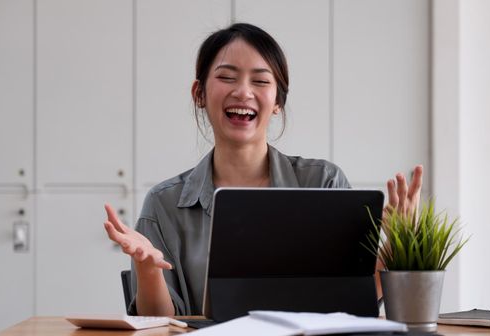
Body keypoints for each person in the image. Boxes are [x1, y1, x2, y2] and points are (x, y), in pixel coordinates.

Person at [103, 23, 423, 317]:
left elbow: (352, 301)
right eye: (227, 77)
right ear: (199, 94)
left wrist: (397, 243)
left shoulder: (324, 183)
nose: (243, 92)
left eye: (260, 81)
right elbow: (158, 327)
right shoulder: (164, 205)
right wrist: (147, 270)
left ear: (278, 101)